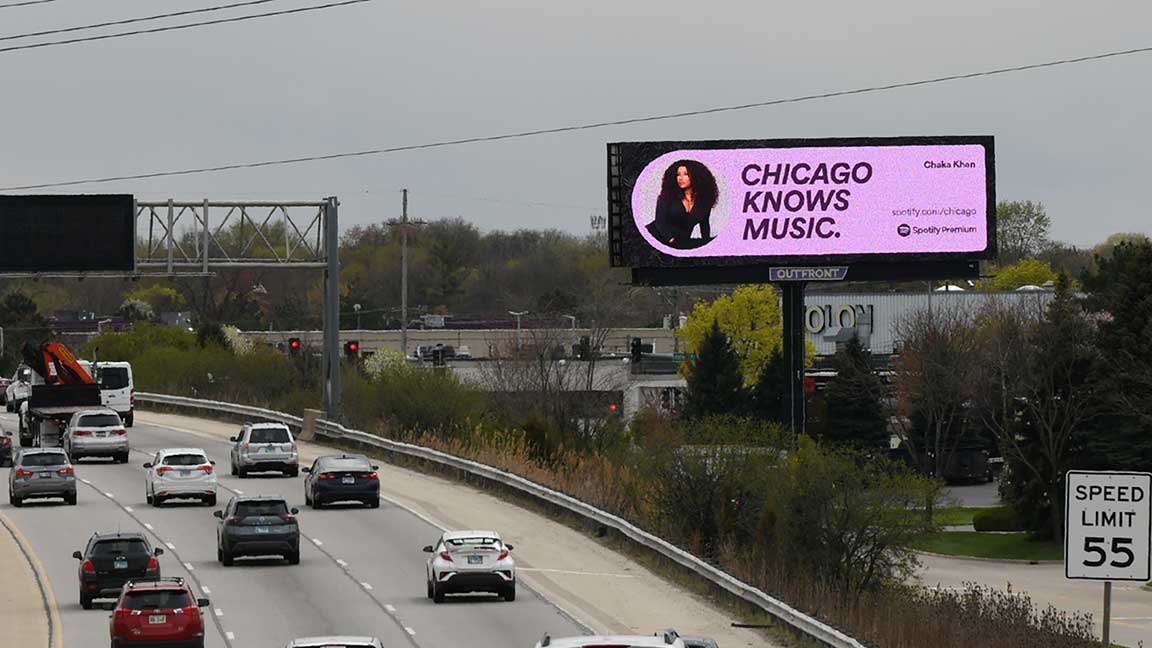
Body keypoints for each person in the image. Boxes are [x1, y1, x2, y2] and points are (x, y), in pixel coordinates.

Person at [646, 159, 719, 250]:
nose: (680, 178)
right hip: (656, 238)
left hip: (682, 243)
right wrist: (671, 240)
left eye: (686, 174)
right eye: (678, 175)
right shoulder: (667, 196)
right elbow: (660, 222)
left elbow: (704, 225)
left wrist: (707, 247)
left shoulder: (704, 201)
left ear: (697, 177)